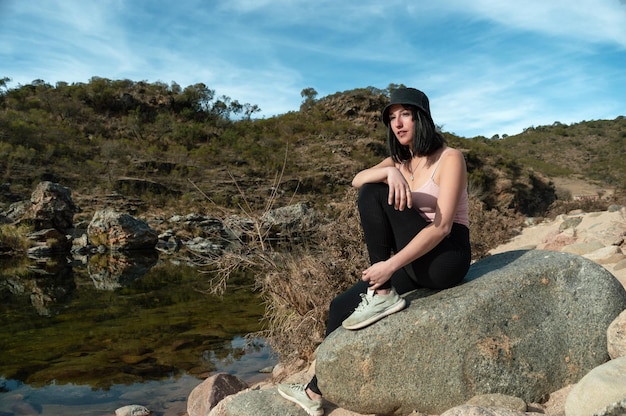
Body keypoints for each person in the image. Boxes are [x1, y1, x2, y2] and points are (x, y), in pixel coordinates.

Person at [277, 87, 472, 416]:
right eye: (392, 118)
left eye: (405, 114)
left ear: (421, 117)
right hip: (416, 258)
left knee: (374, 194)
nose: (397, 123)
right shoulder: (401, 160)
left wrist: (389, 267)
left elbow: (440, 228)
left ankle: (381, 290)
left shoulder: (449, 157)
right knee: (339, 306)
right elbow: (357, 178)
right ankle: (315, 390)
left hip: (446, 256)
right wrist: (389, 170)